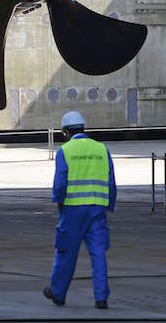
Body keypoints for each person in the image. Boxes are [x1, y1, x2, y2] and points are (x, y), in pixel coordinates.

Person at [44, 111, 116, 309]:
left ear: (66, 132)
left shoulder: (65, 151)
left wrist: (59, 204)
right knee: (98, 253)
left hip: (72, 209)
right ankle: (101, 297)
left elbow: (60, 184)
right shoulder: (102, 149)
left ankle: (58, 293)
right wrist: (108, 205)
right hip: (96, 210)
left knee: (65, 252)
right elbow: (111, 181)